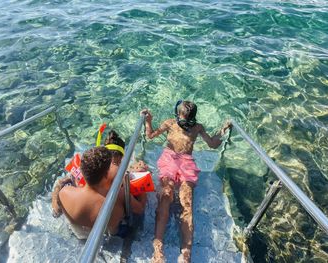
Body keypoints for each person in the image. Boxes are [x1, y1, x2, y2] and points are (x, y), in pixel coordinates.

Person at [142, 100, 232, 263]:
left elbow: (212, 144)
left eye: (189, 122)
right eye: (183, 121)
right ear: (177, 115)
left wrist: (222, 131)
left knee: (187, 202)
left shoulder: (197, 127)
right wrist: (148, 121)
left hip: (186, 163)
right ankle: (158, 248)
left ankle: (186, 254)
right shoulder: (169, 123)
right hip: (169, 159)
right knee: (166, 195)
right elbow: (150, 135)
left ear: (193, 119)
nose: (185, 125)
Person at [58, 146, 147, 239]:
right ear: (105, 175)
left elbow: (57, 210)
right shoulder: (119, 196)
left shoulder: (64, 193)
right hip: (114, 235)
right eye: (112, 163)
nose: (115, 165)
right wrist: (142, 182)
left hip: (80, 235)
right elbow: (140, 209)